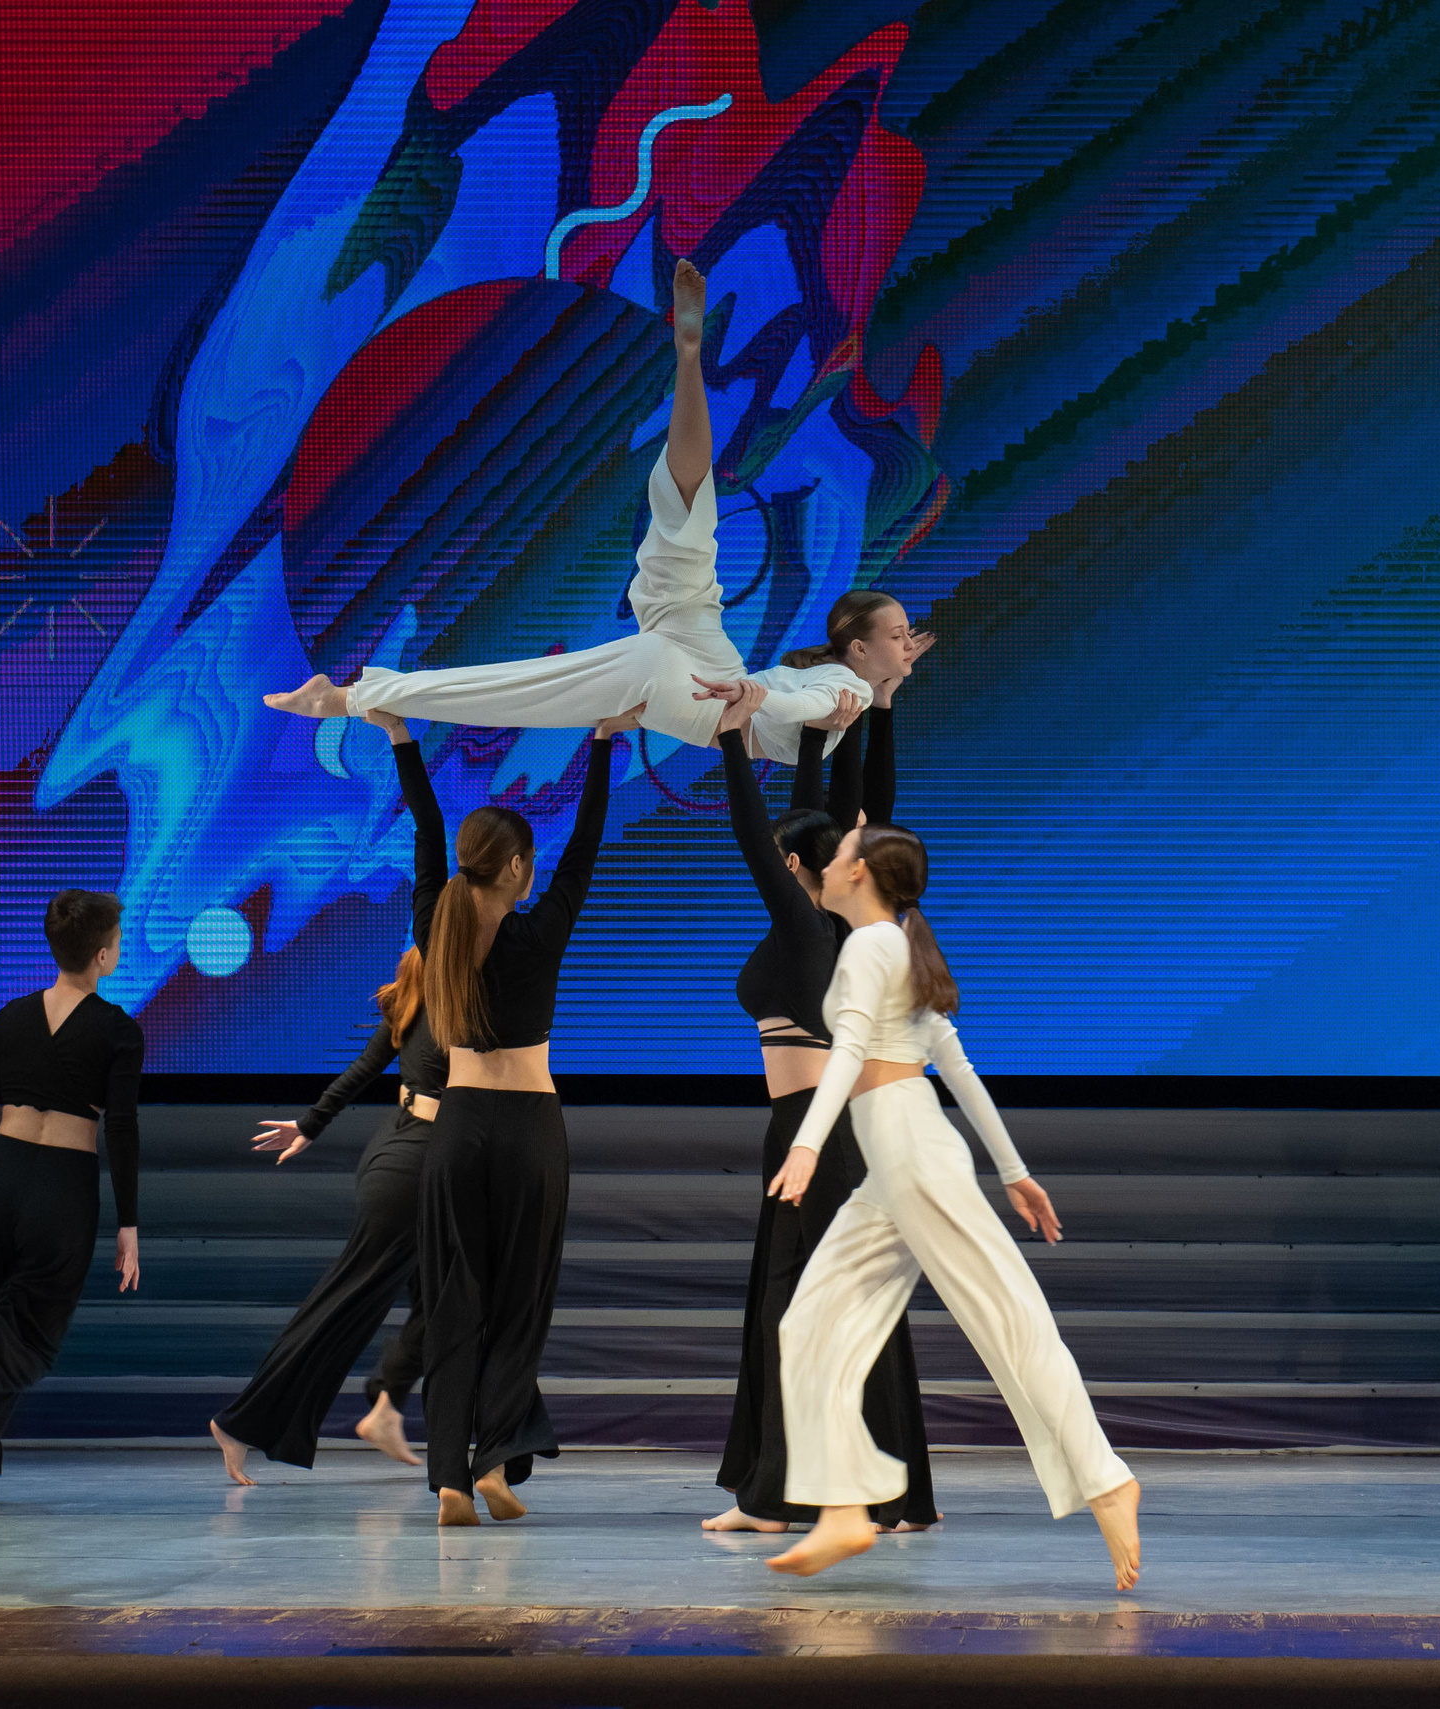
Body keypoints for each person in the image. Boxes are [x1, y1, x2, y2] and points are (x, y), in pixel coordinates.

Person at [261, 258, 919, 766]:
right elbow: (822, 699)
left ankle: (348, 698)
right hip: (686, 651)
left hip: (680, 663)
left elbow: (815, 706)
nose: (909, 644)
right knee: (682, 485)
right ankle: (692, 358)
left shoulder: (838, 699)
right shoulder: (838, 694)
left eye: (901, 635)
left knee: (521, 678)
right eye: (899, 635)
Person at [759, 826, 1142, 1588]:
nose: (828, 863)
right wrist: (1013, 1170)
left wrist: (806, 1142)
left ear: (859, 873)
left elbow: (854, 1050)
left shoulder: (873, 946)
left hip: (909, 1150)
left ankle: (1107, 1479)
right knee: (808, 1322)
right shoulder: (893, 945)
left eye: (839, 855)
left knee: (1010, 1318)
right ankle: (842, 1507)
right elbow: (954, 1063)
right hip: (898, 1158)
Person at [702, 671, 938, 1535]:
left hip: (818, 1134)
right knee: (839, 1299)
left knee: (797, 1304)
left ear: (793, 864)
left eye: (789, 853)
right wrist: (812, 738)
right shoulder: (821, 926)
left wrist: (733, 737)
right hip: (807, 1132)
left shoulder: (813, 927)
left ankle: (781, 1498)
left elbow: (763, 841)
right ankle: (893, 1494)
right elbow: (810, 828)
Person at [400, 694, 635, 1525]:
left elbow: (427, 835)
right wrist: (605, 744)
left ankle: (450, 1480)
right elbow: (588, 848)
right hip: (531, 1130)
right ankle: (496, 1461)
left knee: (454, 1298)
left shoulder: (437, 928)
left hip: (458, 1129)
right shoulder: (539, 935)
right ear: (516, 870)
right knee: (518, 1301)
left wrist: (402, 738)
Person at [206, 856, 448, 1482]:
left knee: (446, 1296)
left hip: (417, 1157)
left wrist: (311, 1124)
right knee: (346, 1304)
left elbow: (363, 1068)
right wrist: (311, 1123)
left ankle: (389, 1403)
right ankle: (243, 1420)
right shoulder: (440, 995)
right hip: (414, 1164)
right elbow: (371, 1065)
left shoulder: (427, 991)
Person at [0, 890, 143, 1509]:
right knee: (26, 1339)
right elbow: (120, 1128)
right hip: (60, 1187)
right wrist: (130, 1224)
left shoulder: (7, 1019)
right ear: (102, 956)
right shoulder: (119, 1030)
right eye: (117, 941)